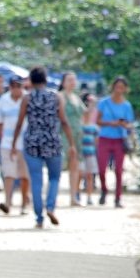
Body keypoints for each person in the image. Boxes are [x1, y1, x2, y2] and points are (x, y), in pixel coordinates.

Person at [11, 66, 77, 229]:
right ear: (46, 80)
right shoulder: (56, 97)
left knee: (36, 179)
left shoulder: (27, 99)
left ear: (31, 81)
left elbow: (20, 122)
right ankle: (50, 207)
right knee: (54, 178)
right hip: (52, 141)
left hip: (32, 142)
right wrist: (72, 144)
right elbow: (64, 121)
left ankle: (39, 217)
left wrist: (13, 143)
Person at [0, 75, 31, 215]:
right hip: (7, 142)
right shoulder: (3, 101)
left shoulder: (28, 99)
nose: (16, 89)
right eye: (13, 86)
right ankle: (8, 201)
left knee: (24, 175)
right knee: (9, 174)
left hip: (25, 143)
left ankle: (23, 204)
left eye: (18, 86)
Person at [96, 76, 135, 208]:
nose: (119, 90)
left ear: (125, 89)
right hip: (105, 138)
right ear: (113, 87)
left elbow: (130, 124)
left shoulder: (126, 105)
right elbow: (98, 121)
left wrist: (124, 125)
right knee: (101, 168)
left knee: (118, 170)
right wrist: (111, 123)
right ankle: (104, 189)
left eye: (122, 87)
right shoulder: (104, 103)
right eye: (117, 87)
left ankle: (118, 198)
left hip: (119, 140)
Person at [59, 71, 86, 206]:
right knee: (61, 164)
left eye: (73, 80)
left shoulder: (76, 98)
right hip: (64, 134)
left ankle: (73, 196)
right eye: (69, 80)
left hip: (77, 134)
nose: (72, 83)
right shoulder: (61, 97)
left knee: (75, 166)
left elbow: (83, 114)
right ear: (63, 82)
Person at [79, 94, 100, 205]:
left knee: (90, 175)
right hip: (81, 154)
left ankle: (89, 197)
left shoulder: (94, 127)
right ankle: (77, 194)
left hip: (90, 153)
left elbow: (96, 142)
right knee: (80, 174)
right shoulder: (80, 126)